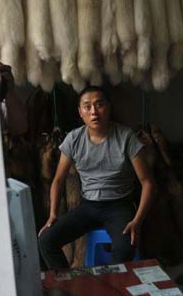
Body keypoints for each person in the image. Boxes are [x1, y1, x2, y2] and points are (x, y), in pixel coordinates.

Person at [38, 86, 156, 269]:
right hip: (88, 206)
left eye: (99, 104)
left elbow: (147, 182)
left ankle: (110, 291)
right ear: (80, 112)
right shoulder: (73, 139)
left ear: (108, 107)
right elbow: (58, 180)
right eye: (87, 106)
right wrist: (53, 213)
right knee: (46, 240)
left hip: (119, 206)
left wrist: (137, 221)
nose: (94, 111)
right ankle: (70, 286)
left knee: (126, 248)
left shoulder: (126, 137)